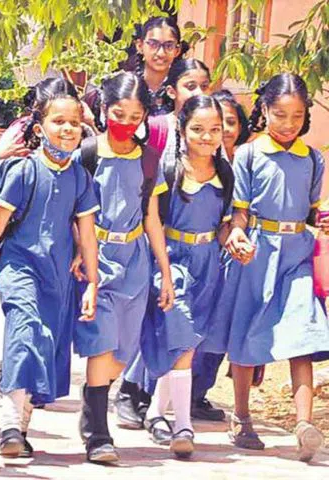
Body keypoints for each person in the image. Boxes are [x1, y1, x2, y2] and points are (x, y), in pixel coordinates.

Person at [0, 77, 99, 457]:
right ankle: (10, 425)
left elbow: (87, 234)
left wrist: (93, 283)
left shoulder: (80, 177)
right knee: (24, 333)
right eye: (58, 121)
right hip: (20, 269)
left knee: (44, 344)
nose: (67, 129)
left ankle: (22, 427)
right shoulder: (24, 171)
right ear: (40, 127)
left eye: (74, 123)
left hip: (58, 277)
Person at [218, 73, 328, 462]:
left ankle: (304, 424)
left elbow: (312, 211)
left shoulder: (313, 159)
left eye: (297, 116)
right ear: (264, 110)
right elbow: (240, 211)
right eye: (280, 114)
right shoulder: (249, 155)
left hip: (297, 254)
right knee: (247, 332)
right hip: (257, 254)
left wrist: (322, 219)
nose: (288, 124)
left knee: (303, 334)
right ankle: (242, 416)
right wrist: (237, 234)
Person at [72, 71, 174, 464]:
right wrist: (79, 251)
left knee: (122, 351)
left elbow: (152, 219)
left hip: (135, 262)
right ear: (103, 109)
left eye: (135, 116)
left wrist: (165, 272)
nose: (126, 123)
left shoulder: (149, 161)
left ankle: (92, 402)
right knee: (101, 342)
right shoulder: (87, 154)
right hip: (95, 259)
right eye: (118, 114)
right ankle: (98, 433)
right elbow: (71, 210)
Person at [116, 58, 213, 430]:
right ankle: (131, 392)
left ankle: (157, 402)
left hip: (195, 251)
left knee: (176, 325)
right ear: (172, 91)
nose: (198, 92)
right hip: (156, 238)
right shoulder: (158, 128)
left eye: (204, 85)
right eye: (190, 85)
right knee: (157, 319)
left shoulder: (209, 134)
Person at [139, 95, 234, 458]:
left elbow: (223, 225)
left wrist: (234, 239)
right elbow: (154, 223)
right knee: (182, 338)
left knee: (189, 341)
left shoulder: (226, 174)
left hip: (208, 265)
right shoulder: (169, 171)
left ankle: (154, 412)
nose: (207, 137)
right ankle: (183, 425)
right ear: (182, 130)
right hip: (172, 262)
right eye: (197, 129)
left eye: (215, 129)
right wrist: (162, 270)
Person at [188, 89, 252, 422]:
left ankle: (198, 392)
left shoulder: (246, 159)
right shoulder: (195, 161)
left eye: (229, 122)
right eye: (217, 123)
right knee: (192, 323)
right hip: (202, 253)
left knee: (221, 327)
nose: (224, 130)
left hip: (236, 253)